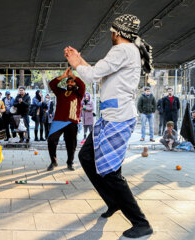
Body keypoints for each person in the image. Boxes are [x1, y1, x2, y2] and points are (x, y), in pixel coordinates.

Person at [65, 14, 153, 238]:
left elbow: (93, 75)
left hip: (118, 117)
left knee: (110, 172)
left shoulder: (122, 50)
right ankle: (113, 201)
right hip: (110, 116)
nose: (110, 36)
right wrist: (79, 62)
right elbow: (98, 72)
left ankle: (141, 223)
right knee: (87, 156)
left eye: (111, 33)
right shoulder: (127, 51)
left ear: (117, 33)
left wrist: (76, 64)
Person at [46, 68, 85, 171]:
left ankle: (70, 163)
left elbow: (83, 85)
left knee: (71, 143)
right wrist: (63, 76)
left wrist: (74, 76)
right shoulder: (60, 92)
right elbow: (52, 84)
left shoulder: (79, 93)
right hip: (58, 120)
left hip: (72, 121)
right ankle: (53, 161)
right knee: (51, 140)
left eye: (72, 82)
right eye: (68, 82)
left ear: (75, 84)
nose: (70, 83)